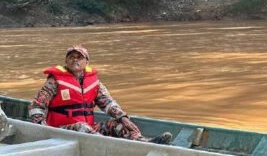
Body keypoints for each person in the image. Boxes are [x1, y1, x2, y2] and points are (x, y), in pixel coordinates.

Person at [29, 45, 172, 144]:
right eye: (71, 57)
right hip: (61, 129)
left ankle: (144, 142)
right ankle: (106, 145)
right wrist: (41, 125)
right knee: (82, 127)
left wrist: (123, 118)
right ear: (66, 61)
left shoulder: (94, 82)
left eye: (79, 57)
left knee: (120, 125)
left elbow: (108, 103)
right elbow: (37, 105)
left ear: (86, 62)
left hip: (90, 128)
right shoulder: (54, 82)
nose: (75, 60)